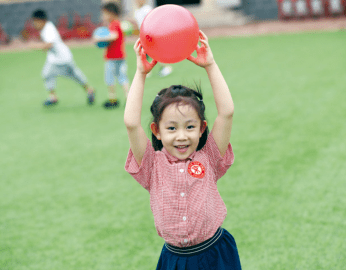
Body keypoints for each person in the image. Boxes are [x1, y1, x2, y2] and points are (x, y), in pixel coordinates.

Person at [124, 31, 241, 269]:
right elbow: (131, 123)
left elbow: (226, 112)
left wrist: (210, 64)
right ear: (157, 131)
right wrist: (140, 73)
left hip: (216, 253)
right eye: (171, 128)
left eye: (190, 126)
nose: (181, 136)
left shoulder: (209, 156)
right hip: (174, 260)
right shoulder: (151, 165)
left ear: (201, 128)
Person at [31, 9, 95, 106]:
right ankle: (53, 97)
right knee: (47, 74)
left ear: (41, 20)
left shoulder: (49, 28)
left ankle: (90, 90)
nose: (34, 24)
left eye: (35, 21)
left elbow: (49, 44)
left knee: (75, 76)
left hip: (64, 58)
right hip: (54, 59)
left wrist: (35, 46)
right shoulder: (44, 29)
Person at [96, 2, 129, 109]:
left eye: (104, 14)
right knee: (122, 78)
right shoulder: (115, 24)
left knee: (110, 78)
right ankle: (128, 99)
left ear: (111, 13)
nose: (103, 16)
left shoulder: (114, 24)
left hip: (113, 58)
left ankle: (113, 99)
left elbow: (114, 36)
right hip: (119, 56)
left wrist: (100, 38)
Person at [134, 0, 173, 78]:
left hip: (150, 35)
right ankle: (146, 71)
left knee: (154, 53)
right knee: (144, 53)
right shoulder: (137, 11)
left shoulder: (147, 9)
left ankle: (165, 67)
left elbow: (153, 21)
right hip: (142, 35)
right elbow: (138, 24)